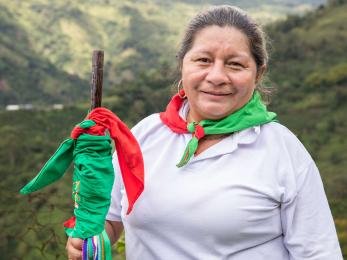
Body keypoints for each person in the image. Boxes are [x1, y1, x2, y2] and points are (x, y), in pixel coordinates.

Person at [66, 5, 343, 260]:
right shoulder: (145, 134)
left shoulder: (282, 150)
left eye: (235, 64)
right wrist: (92, 239)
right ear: (183, 64)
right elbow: (112, 218)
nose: (217, 76)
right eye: (203, 60)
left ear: (258, 73)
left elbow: (318, 253)